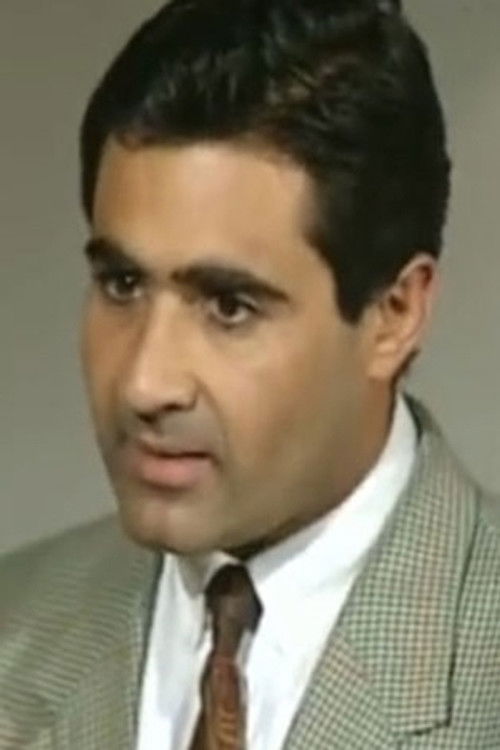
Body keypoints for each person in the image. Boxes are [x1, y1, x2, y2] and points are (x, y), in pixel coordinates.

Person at [1, 0, 499, 747]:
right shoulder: (14, 626)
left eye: (229, 306)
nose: (143, 383)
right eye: (122, 285)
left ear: (394, 314)